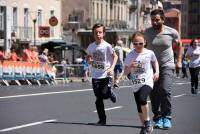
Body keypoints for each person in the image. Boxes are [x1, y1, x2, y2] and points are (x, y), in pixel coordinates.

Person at [144, 9, 183, 129]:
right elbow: (143, 47)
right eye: (152, 20)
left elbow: (179, 44)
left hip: (167, 65)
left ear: (163, 20)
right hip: (152, 66)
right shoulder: (147, 32)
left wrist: (179, 61)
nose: (154, 22)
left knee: (165, 90)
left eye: (157, 20)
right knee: (154, 93)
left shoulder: (172, 32)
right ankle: (158, 116)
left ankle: (167, 117)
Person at [124, 31, 159, 134]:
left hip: (147, 80)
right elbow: (125, 72)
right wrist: (130, 66)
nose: (138, 45)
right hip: (135, 83)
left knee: (142, 98)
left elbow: (155, 61)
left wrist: (157, 72)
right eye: (135, 43)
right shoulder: (130, 55)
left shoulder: (149, 53)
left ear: (145, 42)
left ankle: (147, 121)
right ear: (132, 43)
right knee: (139, 106)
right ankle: (143, 126)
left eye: (140, 43)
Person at [86, 23, 118, 125]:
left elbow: (115, 57)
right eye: (96, 33)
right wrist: (89, 60)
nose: (98, 34)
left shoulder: (107, 46)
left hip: (106, 74)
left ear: (103, 34)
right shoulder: (91, 46)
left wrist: (112, 68)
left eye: (100, 32)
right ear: (93, 34)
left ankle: (110, 93)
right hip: (95, 75)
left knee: (104, 94)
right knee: (98, 98)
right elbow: (88, 57)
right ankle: (102, 120)